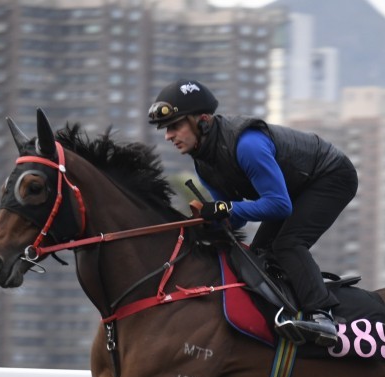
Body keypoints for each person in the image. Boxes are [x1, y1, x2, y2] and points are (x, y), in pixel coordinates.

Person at [148, 78, 358, 347]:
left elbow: (280, 205)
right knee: (257, 256)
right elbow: (238, 216)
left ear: (201, 121)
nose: (168, 136)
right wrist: (210, 221)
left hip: (330, 176)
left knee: (288, 244)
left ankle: (323, 317)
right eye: (166, 129)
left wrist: (225, 208)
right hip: (294, 187)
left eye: (174, 126)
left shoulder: (247, 145)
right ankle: (287, 314)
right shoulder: (204, 163)